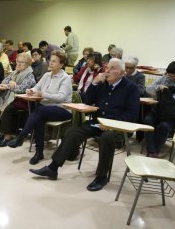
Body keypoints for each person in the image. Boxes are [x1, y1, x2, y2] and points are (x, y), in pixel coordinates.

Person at [29, 58, 139, 192]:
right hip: (98, 123)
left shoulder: (131, 88)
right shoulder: (102, 83)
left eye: (112, 68)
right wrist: (93, 83)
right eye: (107, 67)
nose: (108, 71)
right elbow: (87, 101)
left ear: (122, 73)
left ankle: (101, 176)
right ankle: (53, 168)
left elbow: (132, 114)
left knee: (106, 138)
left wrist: (110, 125)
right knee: (73, 131)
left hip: (118, 127)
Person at [7, 50, 73, 165]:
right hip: (45, 109)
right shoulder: (47, 75)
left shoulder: (65, 78)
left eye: (54, 61)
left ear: (61, 64)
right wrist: (31, 90)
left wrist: (43, 94)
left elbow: (61, 97)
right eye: (50, 61)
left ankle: (21, 137)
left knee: (39, 111)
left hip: (62, 109)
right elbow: (37, 87)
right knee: (39, 117)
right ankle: (39, 152)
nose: (50, 63)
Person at [144, 61, 175, 157]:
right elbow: (148, 88)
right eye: (170, 75)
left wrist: (171, 98)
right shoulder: (165, 77)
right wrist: (158, 87)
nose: (172, 78)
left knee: (164, 126)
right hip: (161, 110)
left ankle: (155, 151)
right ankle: (151, 151)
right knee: (148, 120)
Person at [0, 53, 36, 146]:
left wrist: (10, 86)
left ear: (28, 64)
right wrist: (10, 82)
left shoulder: (30, 75)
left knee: (8, 109)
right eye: (18, 61)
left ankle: (7, 137)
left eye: (22, 62)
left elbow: (23, 89)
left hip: (24, 100)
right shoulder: (15, 72)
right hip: (12, 96)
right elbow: (3, 82)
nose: (18, 64)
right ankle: (2, 132)